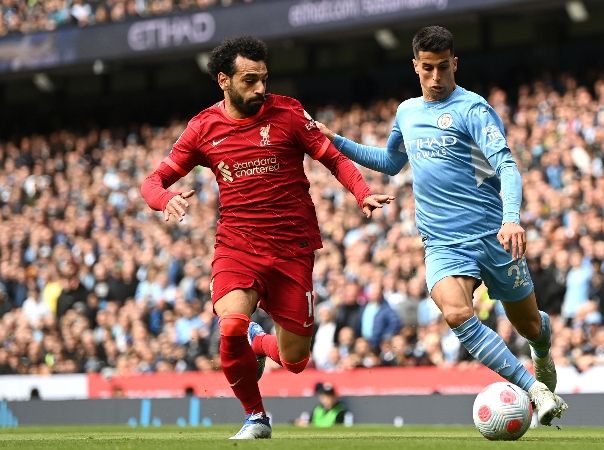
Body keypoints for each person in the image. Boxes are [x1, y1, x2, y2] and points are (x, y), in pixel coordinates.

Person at [141, 36, 393, 440]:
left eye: (264, 79)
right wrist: (165, 199)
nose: (260, 88)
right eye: (250, 80)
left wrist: (362, 193)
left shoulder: (289, 113)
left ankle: (259, 344)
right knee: (231, 325)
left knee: (295, 361)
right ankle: (256, 416)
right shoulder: (203, 127)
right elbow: (152, 181)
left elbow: (334, 158)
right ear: (223, 80)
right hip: (237, 246)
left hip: (293, 250)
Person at [316, 25, 567, 425]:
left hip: (493, 236)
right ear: (415, 65)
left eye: (444, 67)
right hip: (443, 242)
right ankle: (532, 387)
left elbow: (506, 166)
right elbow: (391, 162)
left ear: (456, 63)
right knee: (455, 312)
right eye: (428, 68)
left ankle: (541, 350)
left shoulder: (474, 110)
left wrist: (512, 218)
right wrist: (337, 141)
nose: (436, 78)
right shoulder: (407, 112)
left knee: (530, 325)